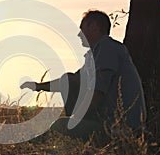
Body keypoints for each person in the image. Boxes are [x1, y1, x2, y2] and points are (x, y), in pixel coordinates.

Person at [20, 10, 147, 140]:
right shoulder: (96, 54)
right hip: (108, 122)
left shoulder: (107, 48)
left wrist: (75, 120)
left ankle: (56, 138)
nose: (79, 34)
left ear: (94, 27)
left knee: (60, 126)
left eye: (82, 28)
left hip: (119, 128)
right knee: (68, 81)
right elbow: (71, 80)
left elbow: (98, 91)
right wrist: (38, 86)